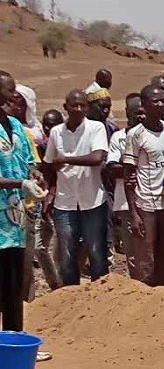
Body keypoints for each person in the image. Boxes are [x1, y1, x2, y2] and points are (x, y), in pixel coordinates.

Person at [43, 89, 110, 285]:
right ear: (66, 107)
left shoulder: (96, 128)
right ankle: (71, 297)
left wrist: (66, 159)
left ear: (87, 108)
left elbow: (97, 158)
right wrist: (51, 192)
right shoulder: (56, 132)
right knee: (67, 258)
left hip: (93, 201)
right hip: (65, 202)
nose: (79, 109)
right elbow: (49, 164)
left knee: (97, 255)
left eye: (83, 105)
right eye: (74, 105)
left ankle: (100, 296)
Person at [0, 71, 45, 331]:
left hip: (15, 223)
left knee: (14, 289)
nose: (14, 95)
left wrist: (33, 175)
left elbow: (29, 161)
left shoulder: (16, 127)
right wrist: (20, 184)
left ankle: (13, 341)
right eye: (9, 90)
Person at [123, 85, 164, 286]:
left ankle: (162, 299)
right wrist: (133, 213)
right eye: (155, 101)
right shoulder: (136, 134)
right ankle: (145, 299)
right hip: (146, 204)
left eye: (163, 100)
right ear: (144, 104)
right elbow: (128, 175)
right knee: (146, 260)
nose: (161, 104)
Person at [106, 93, 145, 278]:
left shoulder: (153, 135)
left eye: (144, 112)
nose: (141, 116)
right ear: (128, 113)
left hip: (153, 202)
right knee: (133, 255)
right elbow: (111, 169)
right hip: (126, 204)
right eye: (137, 113)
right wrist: (138, 168)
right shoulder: (118, 137)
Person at [35, 110, 64, 291]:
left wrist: (51, 195)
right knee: (39, 247)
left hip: (61, 202)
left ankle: (61, 286)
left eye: (52, 125)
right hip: (43, 203)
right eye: (45, 124)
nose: (48, 128)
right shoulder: (40, 148)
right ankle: (54, 282)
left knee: (60, 250)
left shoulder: (64, 148)